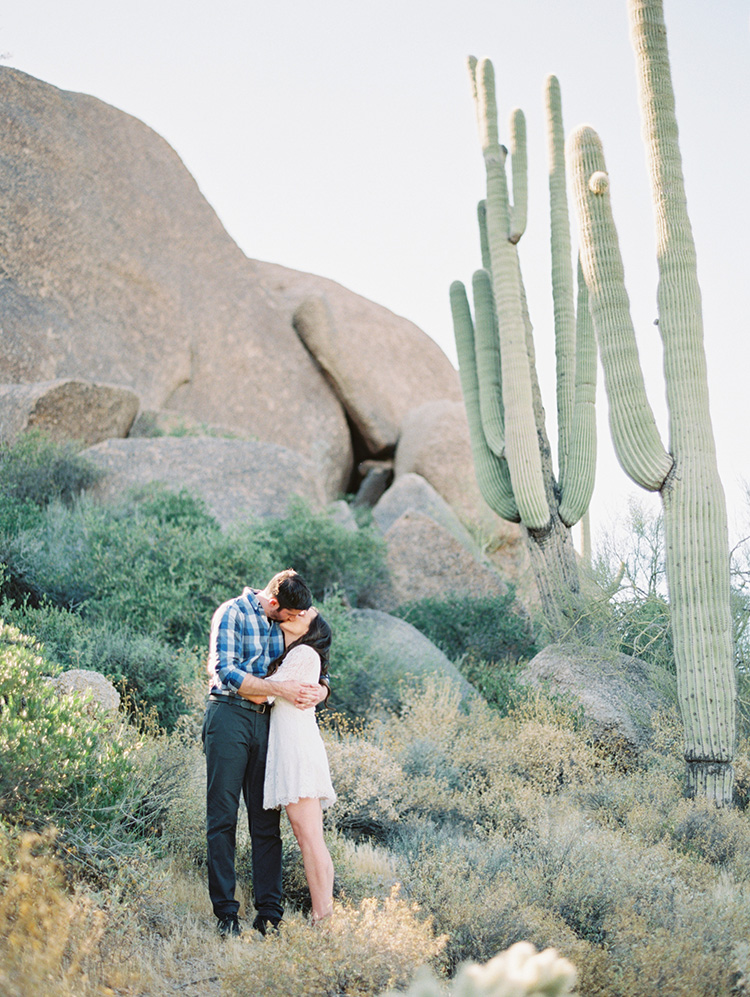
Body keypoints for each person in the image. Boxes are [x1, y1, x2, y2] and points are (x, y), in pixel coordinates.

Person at [202, 569, 328, 939]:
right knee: (223, 817)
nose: (294, 620)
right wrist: (278, 688)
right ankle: (226, 912)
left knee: (265, 820)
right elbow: (224, 671)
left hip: (269, 723)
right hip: (228, 717)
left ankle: (269, 913)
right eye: (288, 614)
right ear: (274, 604)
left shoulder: (288, 617)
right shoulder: (233, 613)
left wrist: (322, 690)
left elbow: (314, 651)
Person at [264, 608, 336, 925]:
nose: (295, 615)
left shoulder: (304, 653)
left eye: (304, 615)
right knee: (305, 835)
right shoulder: (297, 655)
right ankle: (323, 916)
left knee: (309, 838)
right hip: (293, 748)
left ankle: (324, 918)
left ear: (310, 630)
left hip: (298, 750)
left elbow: (263, 692)